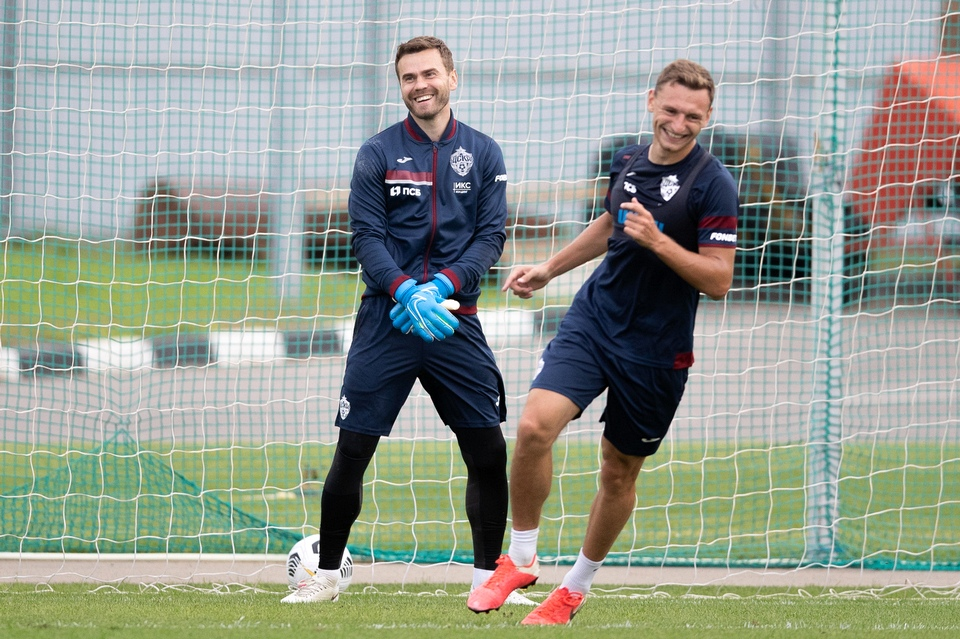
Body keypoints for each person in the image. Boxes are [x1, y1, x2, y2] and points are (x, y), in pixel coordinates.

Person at [467, 59, 739, 625]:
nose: (679, 124)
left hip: (657, 350)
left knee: (618, 472)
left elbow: (718, 280)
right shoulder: (628, 160)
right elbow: (611, 223)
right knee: (534, 427)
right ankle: (521, 557)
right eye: (671, 110)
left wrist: (659, 242)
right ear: (651, 102)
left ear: (708, 117)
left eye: (692, 116)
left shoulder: (713, 184)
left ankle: (573, 589)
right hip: (593, 322)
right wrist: (549, 269)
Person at [283, 35, 525, 605]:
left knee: (488, 453)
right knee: (353, 450)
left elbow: (491, 237)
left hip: (454, 320)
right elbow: (366, 236)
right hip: (386, 320)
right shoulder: (377, 152)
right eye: (409, 77)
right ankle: (325, 578)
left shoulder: (484, 153)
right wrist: (405, 291)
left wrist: (440, 287)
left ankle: (488, 583)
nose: (420, 85)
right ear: (401, 86)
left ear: (451, 78)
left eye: (429, 74)